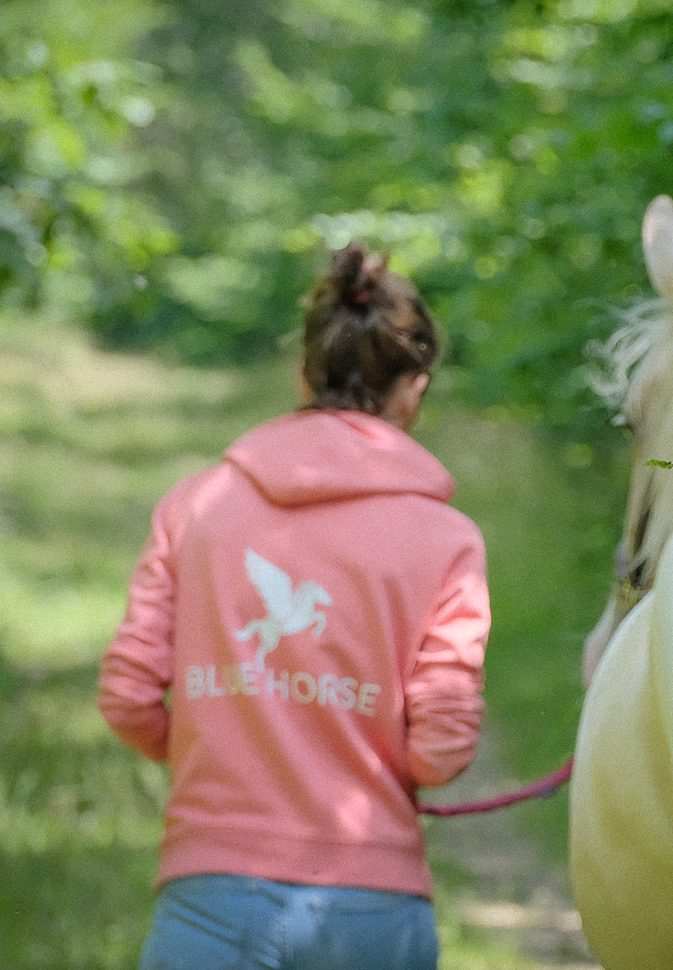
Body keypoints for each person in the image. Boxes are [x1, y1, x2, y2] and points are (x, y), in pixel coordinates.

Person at [99, 242, 490, 970]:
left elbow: (127, 695)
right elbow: (440, 753)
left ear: (302, 372)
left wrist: (214, 738)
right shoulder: (448, 539)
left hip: (205, 900)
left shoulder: (198, 504)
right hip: (370, 911)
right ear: (415, 390)